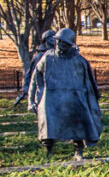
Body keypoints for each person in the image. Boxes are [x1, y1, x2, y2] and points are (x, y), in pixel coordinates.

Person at [28, 28, 102, 161]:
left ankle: (78, 150)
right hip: (51, 98)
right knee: (49, 123)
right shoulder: (47, 58)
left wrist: (91, 101)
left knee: (79, 123)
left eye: (64, 43)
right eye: (58, 42)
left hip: (74, 98)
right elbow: (35, 78)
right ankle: (48, 151)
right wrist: (32, 100)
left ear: (70, 44)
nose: (60, 45)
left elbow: (90, 84)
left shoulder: (79, 61)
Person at [14, 29, 57, 106]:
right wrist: (26, 90)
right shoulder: (40, 56)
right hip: (42, 89)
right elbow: (32, 75)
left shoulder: (58, 55)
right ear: (46, 41)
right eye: (51, 38)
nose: (53, 41)